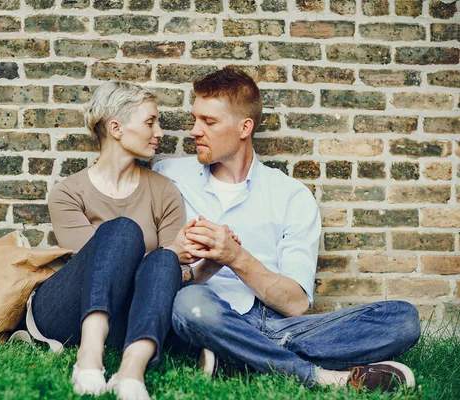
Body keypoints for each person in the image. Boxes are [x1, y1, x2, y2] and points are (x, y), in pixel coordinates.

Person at [153, 66, 421, 392]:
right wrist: (201, 268)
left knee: (402, 318)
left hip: (270, 320)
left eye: (208, 122)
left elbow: (296, 305)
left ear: (244, 127)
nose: (194, 131)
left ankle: (237, 358)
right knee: (189, 304)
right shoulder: (168, 176)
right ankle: (322, 377)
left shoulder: (291, 196)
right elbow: (154, 274)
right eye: (195, 118)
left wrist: (236, 257)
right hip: (199, 311)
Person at [27, 82, 193, 400]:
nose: (159, 132)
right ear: (116, 128)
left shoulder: (164, 191)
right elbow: (99, 268)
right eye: (150, 122)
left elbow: (168, 273)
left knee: (164, 260)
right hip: (65, 314)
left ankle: (131, 372)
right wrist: (168, 251)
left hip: (131, 320)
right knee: (122, 232)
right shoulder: (68, 193)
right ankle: (88, 358)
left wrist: (175, 256)